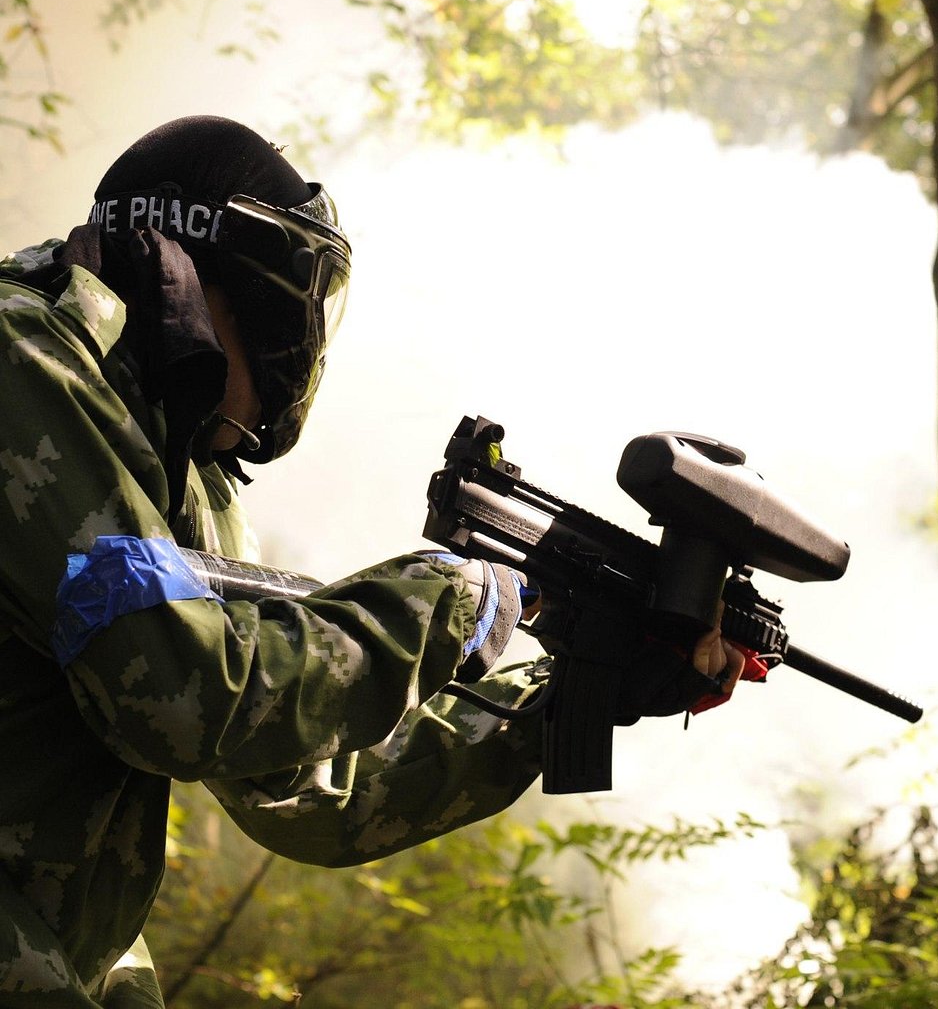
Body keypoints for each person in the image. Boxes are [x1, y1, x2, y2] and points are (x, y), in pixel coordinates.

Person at [0, 116, 743, 1007]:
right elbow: (183, 697)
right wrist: (462, 599)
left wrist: (572, 698)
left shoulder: (182, 464)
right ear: (189, 279)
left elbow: (314, 790)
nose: (294, 347)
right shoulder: (25, 361)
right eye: (280, 308)